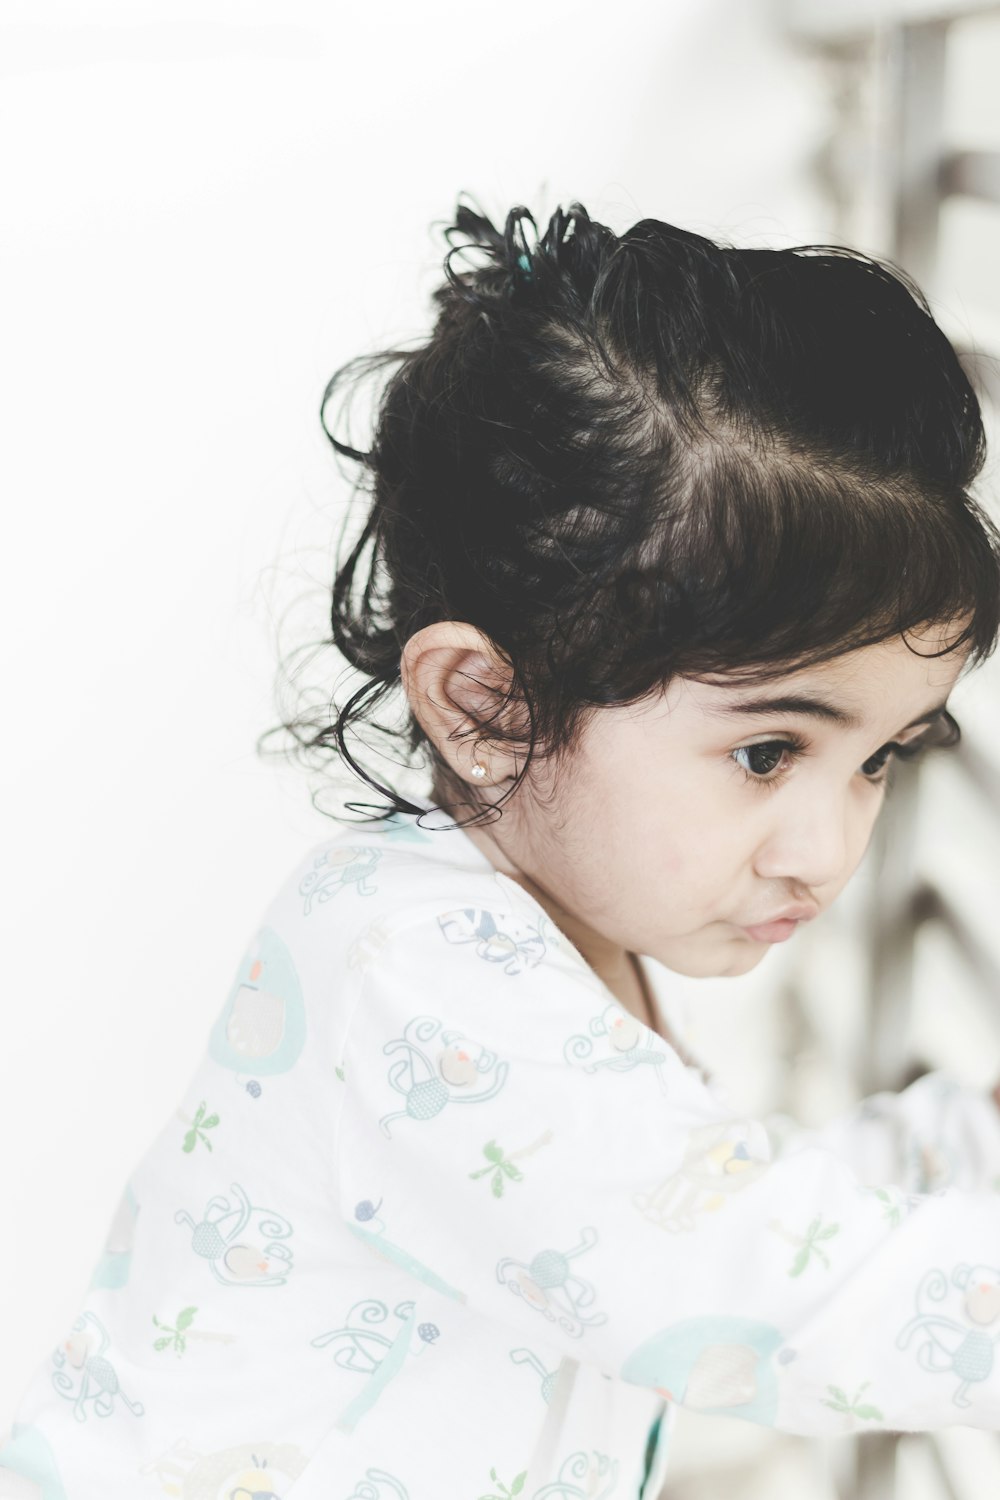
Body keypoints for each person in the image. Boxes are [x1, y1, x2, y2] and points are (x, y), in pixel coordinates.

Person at [4, 195, 1000, 1500]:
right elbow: (747, 1294)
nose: (827, 846)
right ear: (488, 706)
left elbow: (710, 1214)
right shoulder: (421, 970)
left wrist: (961, 1139)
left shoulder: (536, 935)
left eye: (883, 758)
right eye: (768, 754)